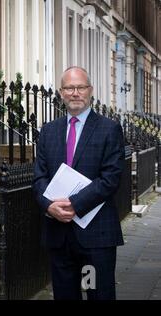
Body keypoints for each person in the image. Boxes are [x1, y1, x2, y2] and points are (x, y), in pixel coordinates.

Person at [33, 66, 125, 300]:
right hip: (59, 235)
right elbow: (39, 178)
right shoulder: (49, 131)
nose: (75, 93)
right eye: (69, 88)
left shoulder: (109, 129)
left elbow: (111, 178)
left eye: (80, 87)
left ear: (90, 90)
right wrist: (49, 206)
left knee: (97, 293)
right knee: (64, 295)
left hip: (95, 236)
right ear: (61, 93)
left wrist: (74, 204)